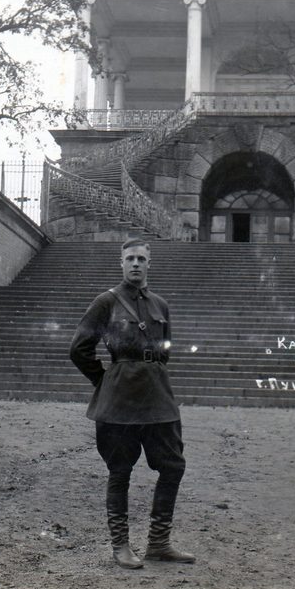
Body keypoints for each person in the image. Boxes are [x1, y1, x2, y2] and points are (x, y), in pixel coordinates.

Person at [69, 238, 195, 569]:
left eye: (141, 258)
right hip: (120, 399)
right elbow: (79, 348)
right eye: (130, 259)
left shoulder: (160, 304)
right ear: (121, 264)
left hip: (157, 397)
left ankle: (158, 543)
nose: (136, 264)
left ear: (149, 263)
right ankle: (121, 546)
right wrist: (105, 380)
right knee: (120, 470)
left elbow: (165, 349)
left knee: (173, 466)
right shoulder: (105, 302)